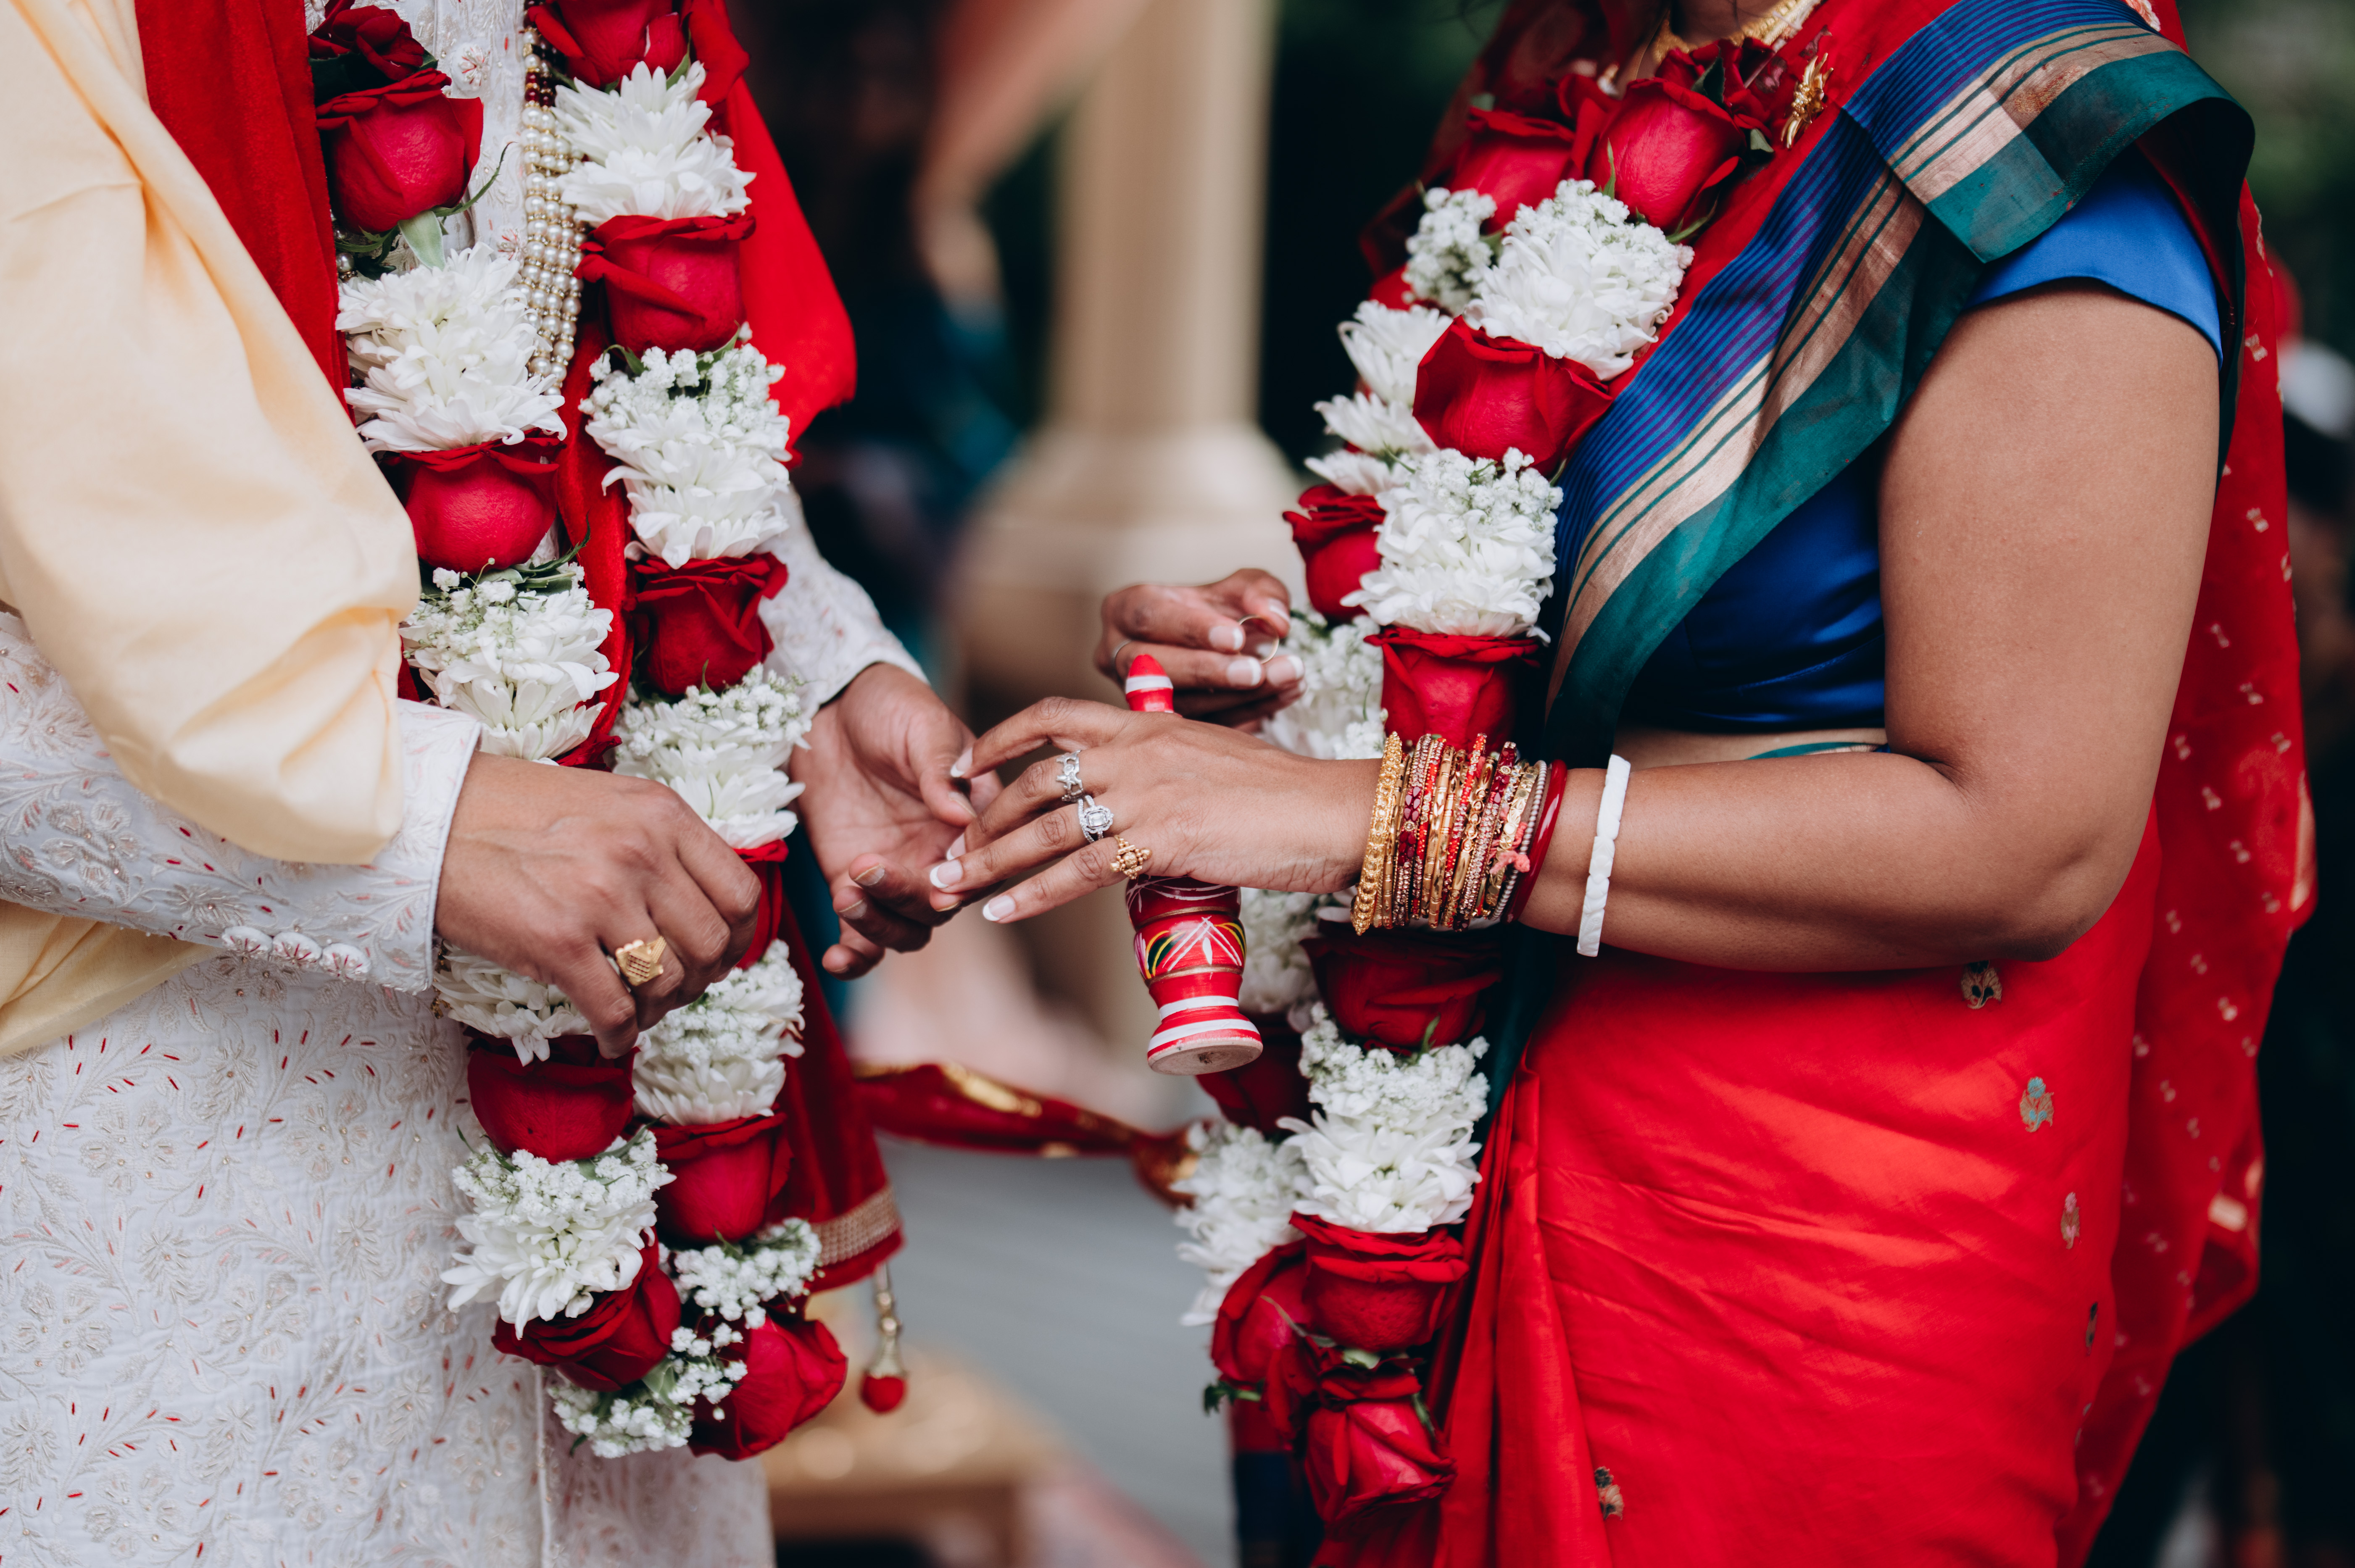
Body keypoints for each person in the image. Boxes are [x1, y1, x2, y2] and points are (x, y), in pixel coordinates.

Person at [925, 0, 2309, 1560]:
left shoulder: (2029, 139)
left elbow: (2024, 835)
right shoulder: (1583, 76)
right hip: (1437, 1141)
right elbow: (1533, 627)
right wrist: (1297, 673)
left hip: (1786, 1247)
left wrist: (1368, 818)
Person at [0, 0, 975, 1557]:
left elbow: (604, 340)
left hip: (644, 1170)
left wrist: (821, 671)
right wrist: (416, 820)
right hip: (184, 1200)